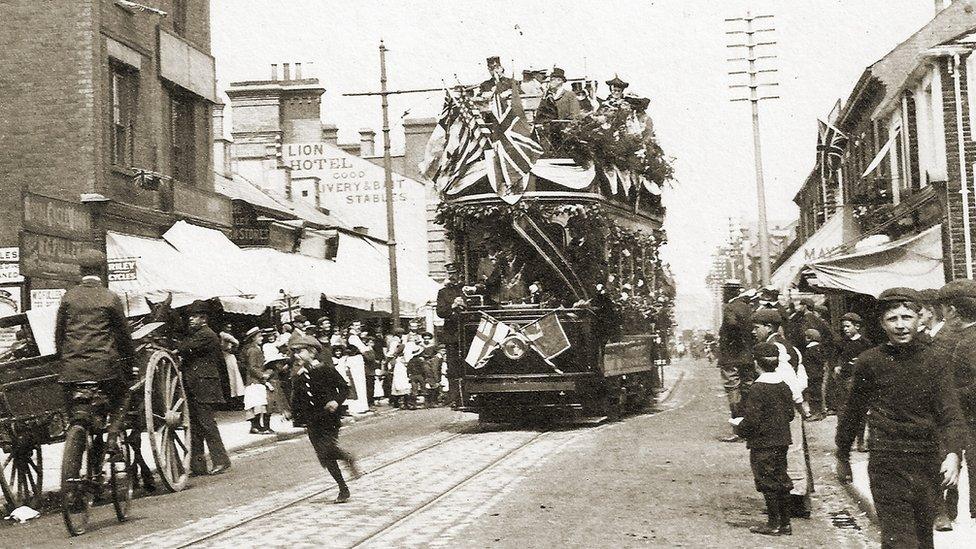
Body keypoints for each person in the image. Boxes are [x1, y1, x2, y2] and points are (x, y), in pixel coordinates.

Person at [836, 287, 966, 549]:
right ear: (882, 324)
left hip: (926, 461)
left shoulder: (936, 360)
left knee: (923, 538)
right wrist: (842, 454)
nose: (901, 326)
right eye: (892, 319)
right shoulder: (869, 361)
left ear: (919, 319)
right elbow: (853, 412)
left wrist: (953, 454)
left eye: (906, 317)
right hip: (887, 459)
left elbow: (950, 413)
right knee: (898, 539)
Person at [56, 249, 137, 463]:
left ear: (81, 270)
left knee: (74, 409)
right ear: (102, 270)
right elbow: (123, 336)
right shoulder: (110, 298)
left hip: (71, 371)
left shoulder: (68, 297)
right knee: (124, 395)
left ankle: (74, 429)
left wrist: (63, 359)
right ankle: (112, 440)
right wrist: (131, 365)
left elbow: (59, 333)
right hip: (104, 369)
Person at [731, 342, 796, 536]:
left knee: (766, 480)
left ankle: (773, 524)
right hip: (782, 441)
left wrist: (739, 428)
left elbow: (752, 421)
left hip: (763, 443)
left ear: (756, 364)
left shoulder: (757, 389)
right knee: (782, 477)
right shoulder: (783, 385)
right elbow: (790, 414)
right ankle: (785, 523)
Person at [288, 334, 360, 504]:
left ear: (312, 352)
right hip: (311, 419)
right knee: (324, 456)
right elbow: (297, 398)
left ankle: (347, 457)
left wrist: (336, 400)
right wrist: (292, 413)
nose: (296, 355)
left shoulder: (325, 369)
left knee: (326, 449)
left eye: (299, 351)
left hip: (329, 417)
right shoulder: (298, 376)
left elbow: (343, 387)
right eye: (294, 352)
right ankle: (343, 488)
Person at [933, 280, 976, 531]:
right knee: (943, 458)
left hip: (969, 413)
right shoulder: (942, 336)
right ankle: (943, 511)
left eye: (944, 308)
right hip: (947, 415)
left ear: (952, 310)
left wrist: (950, 395)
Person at [178, 300, 232, 476]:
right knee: (195, 425)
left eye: (195, 317)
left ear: (204, 319)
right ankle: (198, 465)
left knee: (207, 424)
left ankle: (221, 460)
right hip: (196, 385)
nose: (191, 320)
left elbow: (185, 347)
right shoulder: (198, 334)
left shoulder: (206, 335)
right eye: (191, 317)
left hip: (204, 386)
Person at [750, 308, 809, 416]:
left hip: (783, 408)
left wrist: (800, 408)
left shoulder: (776, 348)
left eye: (756, 328)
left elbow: (790, 381)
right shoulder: (787, 345)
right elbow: (802, 378)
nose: (753, 332)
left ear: (768, 328)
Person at [717, 288, 757, 441]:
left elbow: (732, 326)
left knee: (733, 388)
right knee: (748, 388)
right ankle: (750, 428)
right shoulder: (747, 307)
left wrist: (733, 345)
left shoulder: (730, 307)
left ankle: (738, 430)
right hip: (746, 357)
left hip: (732, 356)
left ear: (730, 293)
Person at [834, 312, 873, 451]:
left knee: (860, 411)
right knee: (843, 411)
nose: (845, 329)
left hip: (859, 380)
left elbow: (869, 361)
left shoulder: (865, 343)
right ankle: (843, 442)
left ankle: (860, 442)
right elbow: (836, 357)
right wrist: (837, 365)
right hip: (843, 379)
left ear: (857, 326)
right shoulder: (841, 342)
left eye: (848, 326)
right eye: (843, 327)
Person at [437, 263, 465, 408]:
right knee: (453, 366)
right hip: (452, 333)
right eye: (450, 273)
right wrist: (452, 306)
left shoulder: (465, 289)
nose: (453, 276)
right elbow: (440, 312)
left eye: (455, 273)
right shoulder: (443, 292)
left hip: (467, 332)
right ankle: (454, 397)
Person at [240, 327, 273, 434]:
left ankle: (257, 426)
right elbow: (252, 367)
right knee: (256, 403)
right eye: (259, 336)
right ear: (253, 338)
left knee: (258, 403)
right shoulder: (253, 350)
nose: (262, 338)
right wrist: (262, 375)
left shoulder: (256, 349)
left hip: (256, 381)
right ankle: (255, 426)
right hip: (255, 381)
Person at [802, 329, 826, 420]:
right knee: (817, 393)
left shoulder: (811, 349)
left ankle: (816, 412)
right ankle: (820, 411)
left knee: (813, 394)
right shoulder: (819, 348)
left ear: (809, 338)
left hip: (812, 374)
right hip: (818, 374)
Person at [219, 324, 246, 401]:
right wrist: (234, 347)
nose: (229, 329)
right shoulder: (224, 334)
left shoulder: (224, 334)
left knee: (232, 375)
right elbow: (236, 342)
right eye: (227, 327)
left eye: (230, 327)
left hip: (227, 354)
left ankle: (233, 394)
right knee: (232, 374)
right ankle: (233, 394)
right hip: (226, 354)